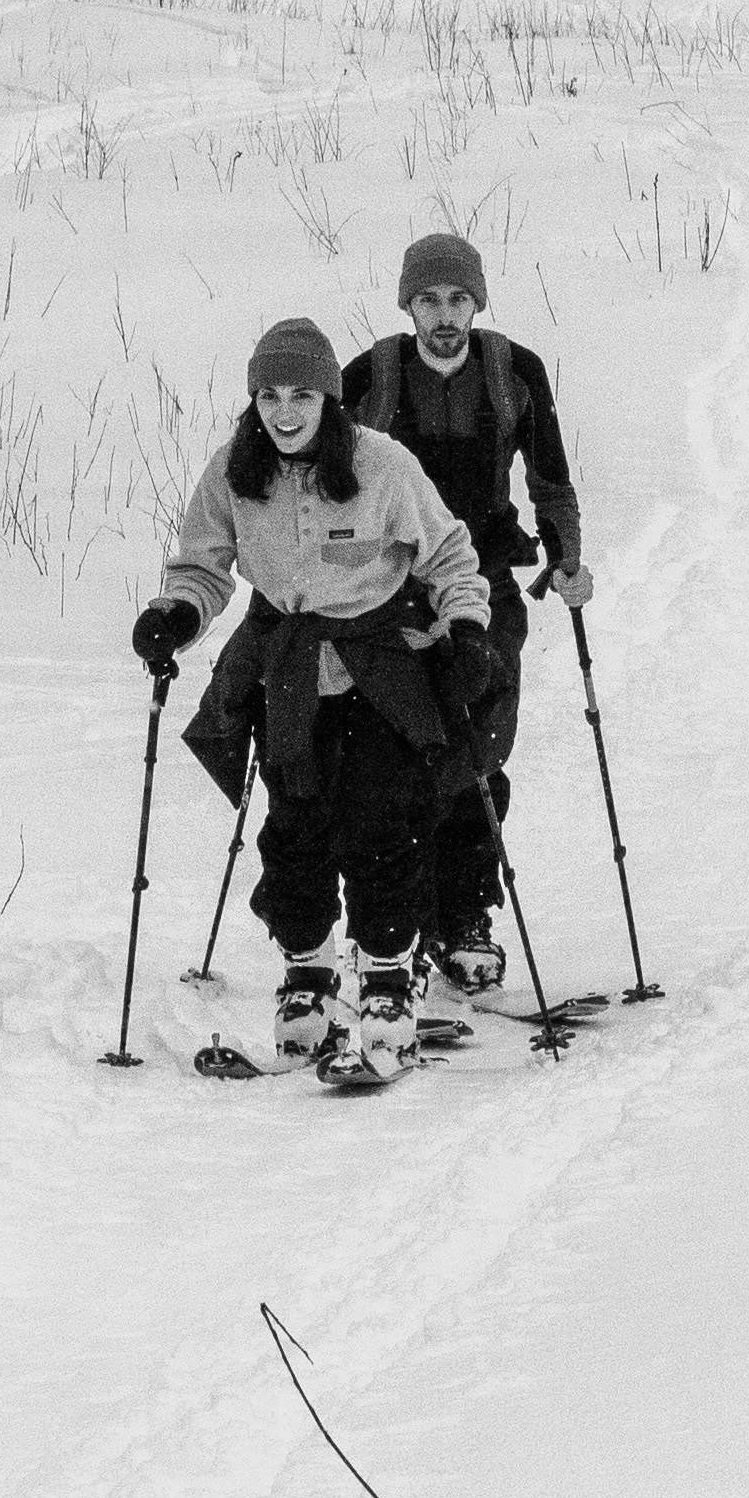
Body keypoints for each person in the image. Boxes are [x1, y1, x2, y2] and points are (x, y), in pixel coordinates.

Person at [134, 318, 491, 1083]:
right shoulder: (234, 471)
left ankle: (391, 990)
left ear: (330, 398)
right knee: (294, 833)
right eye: (268, 394)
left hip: (382, 671)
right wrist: (174, 617)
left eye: (301, 394)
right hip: (288, 671)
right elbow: (202, 566)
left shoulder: (382, 465)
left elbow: (451, 555)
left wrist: (466, 628)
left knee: (378, 828)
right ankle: (308, 983)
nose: (284, 411)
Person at [343, 231, 590, 1034]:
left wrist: (566, 556)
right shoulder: (370, 381)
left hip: (485, 576)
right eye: (428, 300)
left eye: (457, 299)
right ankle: (401, 932)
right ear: (407, 304)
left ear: (477, 302)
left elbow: (548, 474)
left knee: (479, 748)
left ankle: (467, 918)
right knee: (402, 753)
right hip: (394, 589)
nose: (443, 316)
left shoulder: (512, 371)